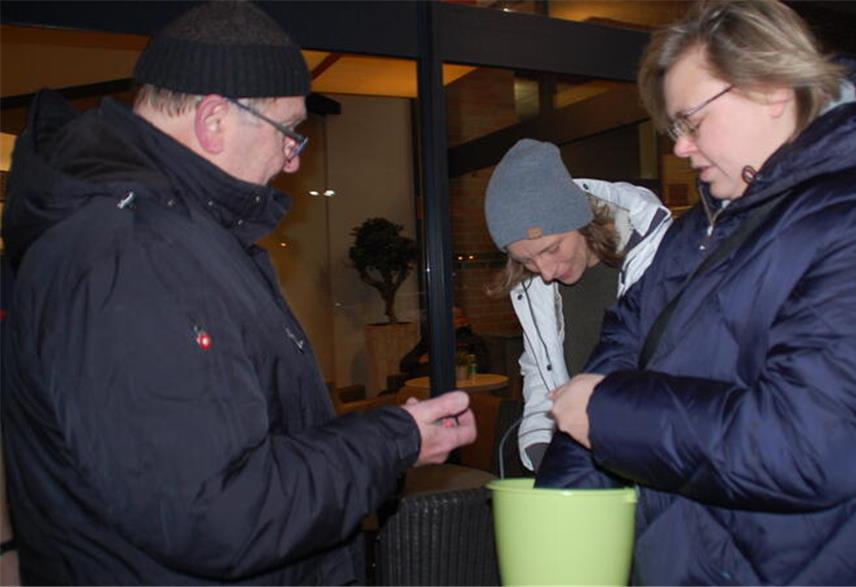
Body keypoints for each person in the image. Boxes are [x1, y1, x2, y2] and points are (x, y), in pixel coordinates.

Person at [0, 2, 475, 584]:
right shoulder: (129, 256)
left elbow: (250, 443)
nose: (294, 160)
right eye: (289, 132)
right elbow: (217, 514)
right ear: (215, 121)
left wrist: (382, 437)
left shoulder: (177, 236)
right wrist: (392, 441)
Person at [536, 1, 856, 585]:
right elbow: (624, 345)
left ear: (772, 89)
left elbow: (814, 444)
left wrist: (607, 414)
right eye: (674, 128)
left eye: (692, 121)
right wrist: (561, 515)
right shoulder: (704, 226)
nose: (680, 147)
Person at [484, 138, 672, 471]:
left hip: (658, 456)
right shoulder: (537, 287)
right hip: (584, 462)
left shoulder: (657, 261)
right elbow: (541, 368)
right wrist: (540, 442)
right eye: (525, 260)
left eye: (551, 249)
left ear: (582, 222)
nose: (545, 272)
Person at [399, 307, 491, 379]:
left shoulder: (473, 340)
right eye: (447, 317)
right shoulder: (431, 339)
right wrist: (420, 360)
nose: (449, 320)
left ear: (464, 320)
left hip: (459, 384)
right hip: (427, 385)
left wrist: (459, 363)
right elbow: (404, 364)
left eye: (457, 317)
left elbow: (483, 366)